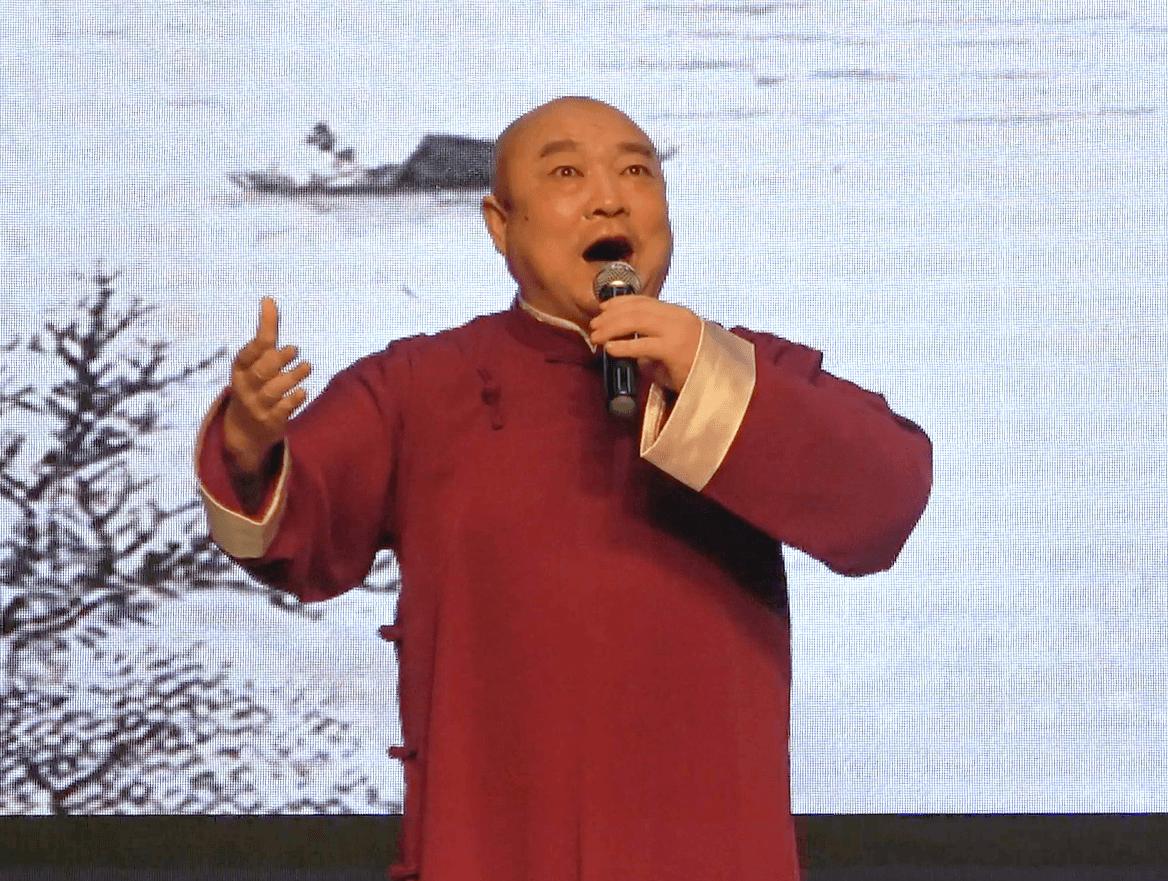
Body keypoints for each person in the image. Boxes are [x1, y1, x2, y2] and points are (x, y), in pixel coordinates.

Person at [195, 96, 933, 880]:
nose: (609, 198)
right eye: (567, 174)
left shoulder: (747, 369)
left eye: (636, 172)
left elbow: (883, 501)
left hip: (704, 840)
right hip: (494, 841)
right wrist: (248, 449)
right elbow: (297, 533)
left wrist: (701, 371)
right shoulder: (416, 385)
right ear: (499, 225)